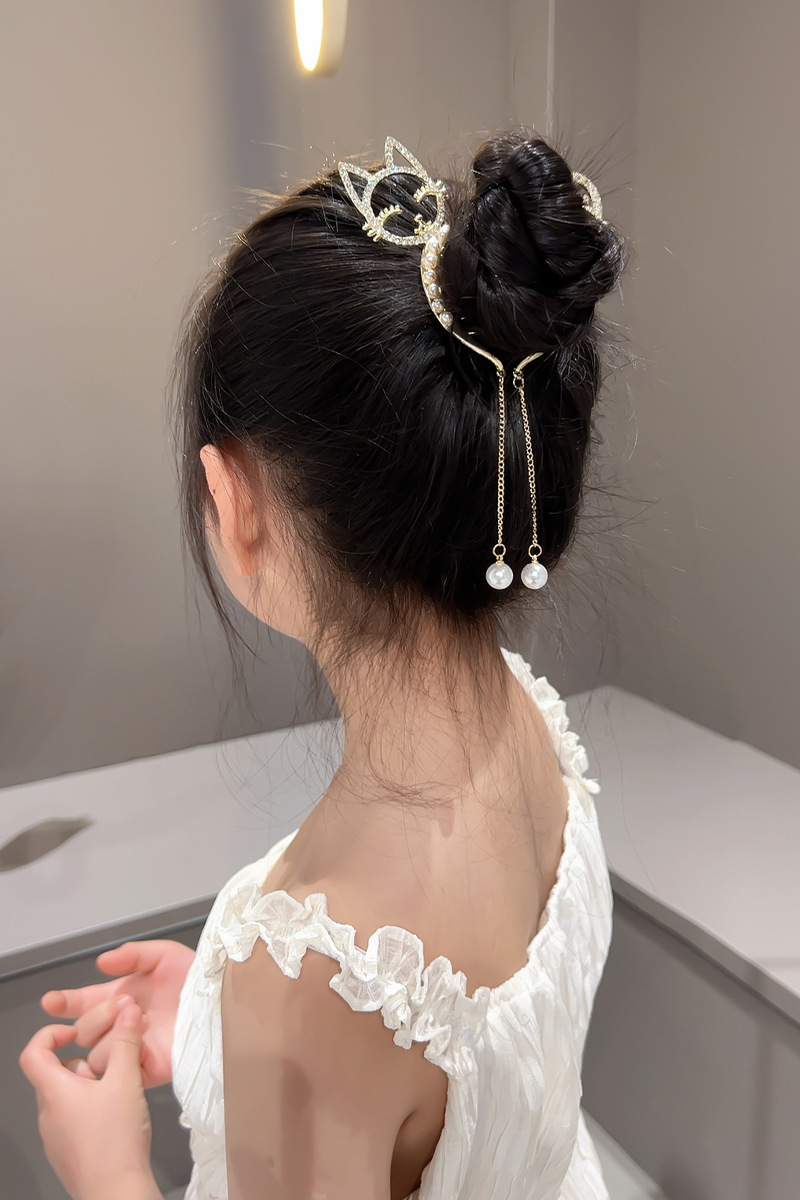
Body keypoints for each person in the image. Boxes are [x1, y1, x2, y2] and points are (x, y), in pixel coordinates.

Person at [20, 127, 627, 1200]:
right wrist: (219, 1025)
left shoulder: (312, 978)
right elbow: (453, 1083)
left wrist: (108, 1170)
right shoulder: (528, 724)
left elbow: (372, 1040)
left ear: (234, 501)